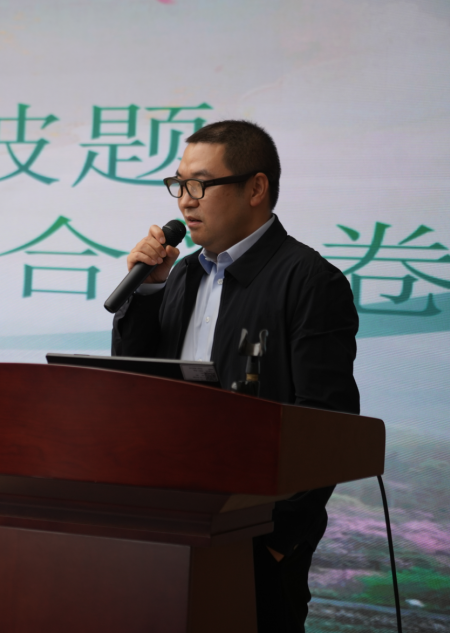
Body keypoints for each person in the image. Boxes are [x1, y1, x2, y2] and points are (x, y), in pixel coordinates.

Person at [111, 120, 360, 632]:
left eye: (201, 184)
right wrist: (148, 291)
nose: (185, 200)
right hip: (169, 524)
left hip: (254, 541)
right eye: (179, 184)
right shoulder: (182, 274)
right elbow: (135, 392)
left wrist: (275, 540)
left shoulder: (310, 281)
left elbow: (327, 424)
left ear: (256, 188)